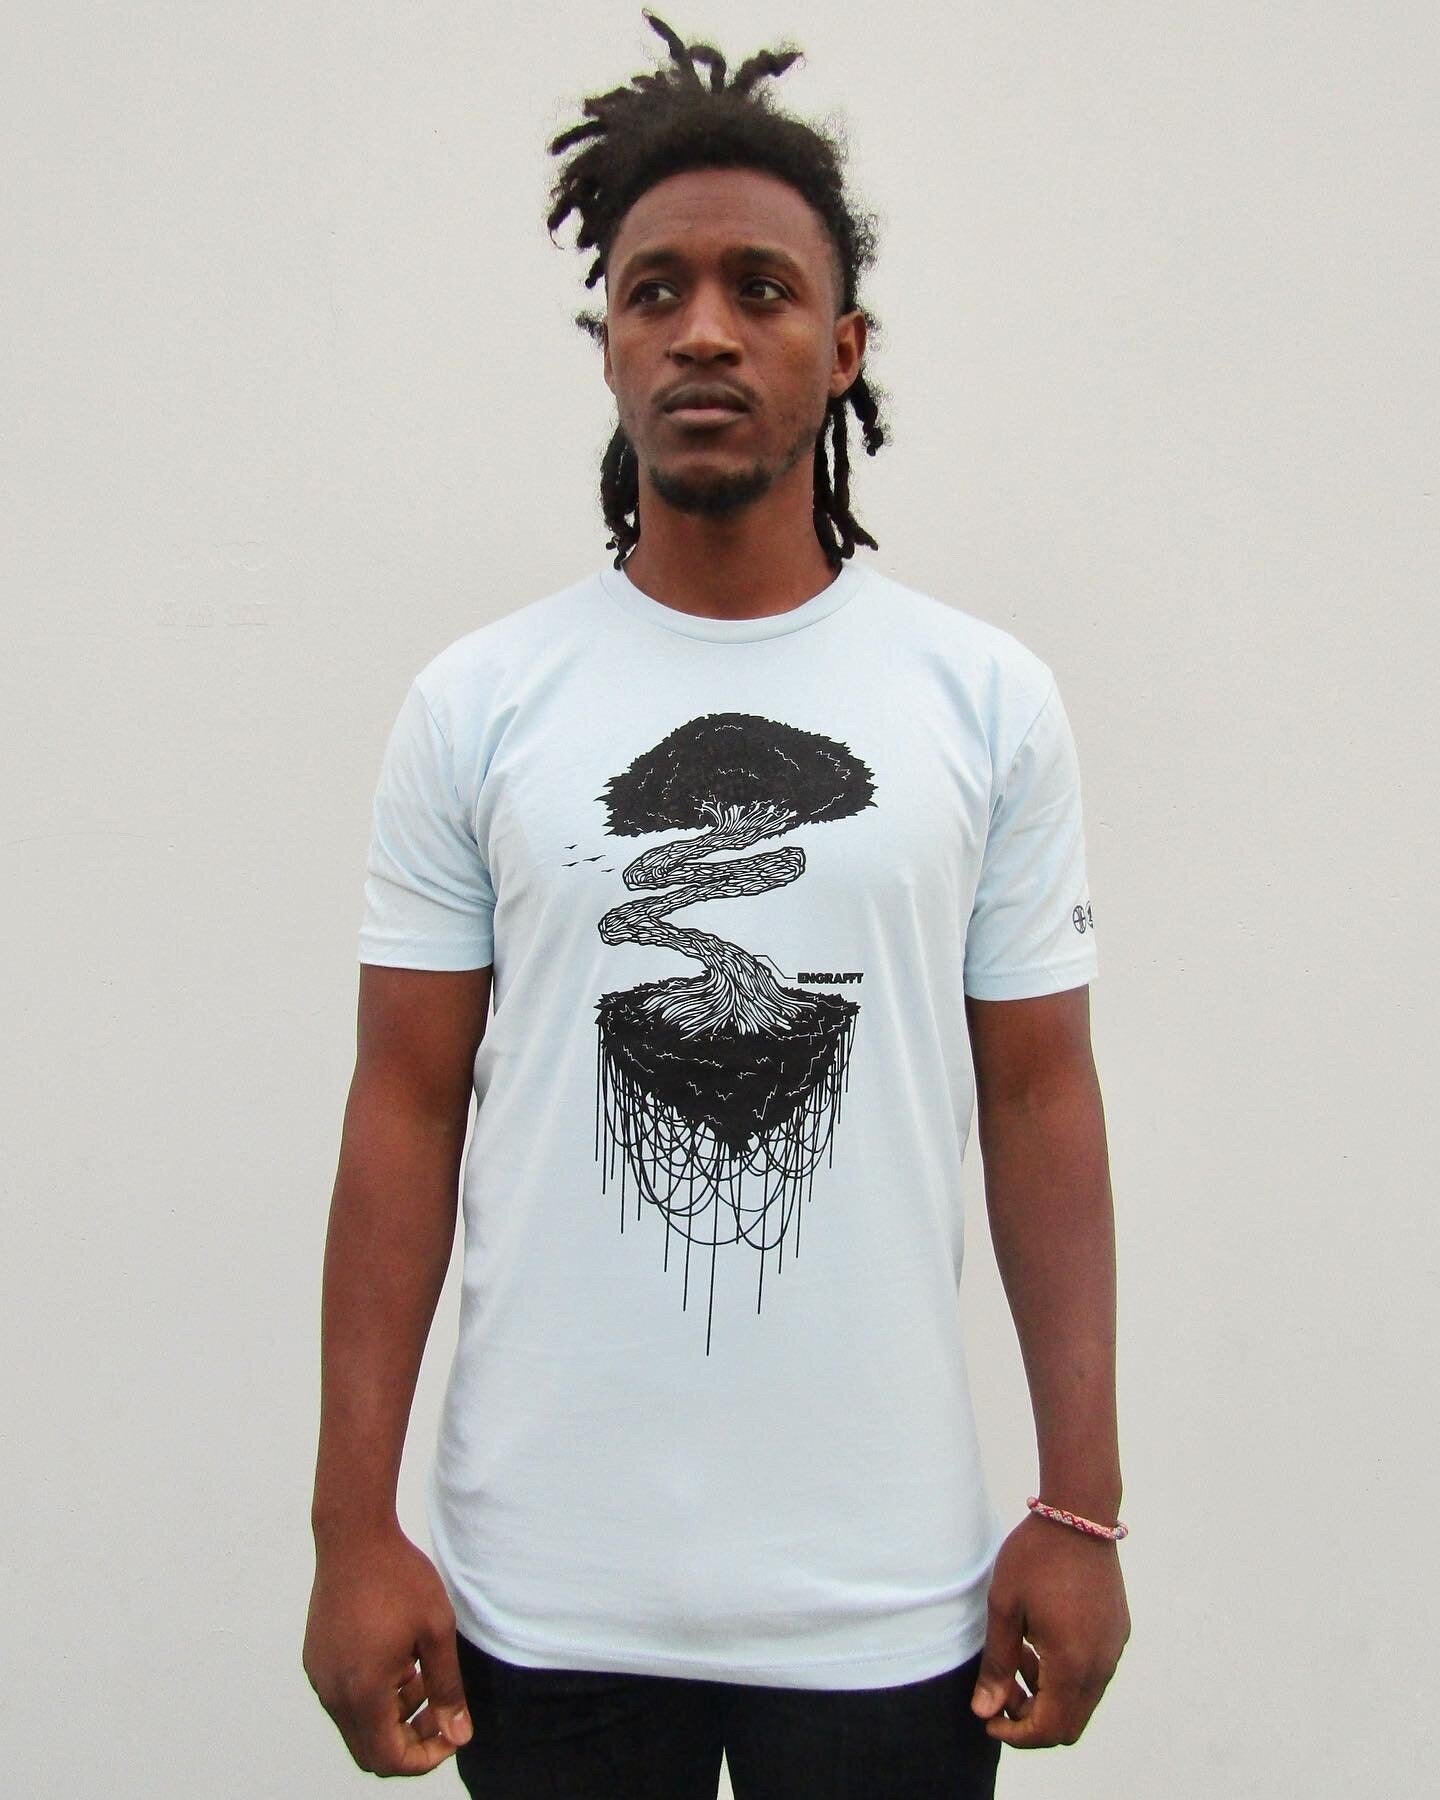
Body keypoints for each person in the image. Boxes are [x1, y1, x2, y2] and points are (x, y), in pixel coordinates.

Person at [302, 11, 1129, 1794]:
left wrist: (1083, 1505)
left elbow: (1040, 1097)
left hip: (888, 1600)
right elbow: (404, 1104)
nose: (703, 329)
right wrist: (349, 1527)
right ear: (606, 339)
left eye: (761, 290)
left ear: (843, 349)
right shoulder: (480, 704)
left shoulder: (983, 702)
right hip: (543, 1603)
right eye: (654, 289)